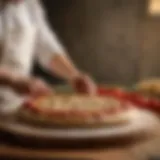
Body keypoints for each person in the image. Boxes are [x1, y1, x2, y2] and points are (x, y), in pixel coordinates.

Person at [0, 0, 97, 115]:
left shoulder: (30, 5)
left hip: (17, 105)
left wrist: (74, 76)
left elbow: (46, 47)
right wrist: (14, 80)